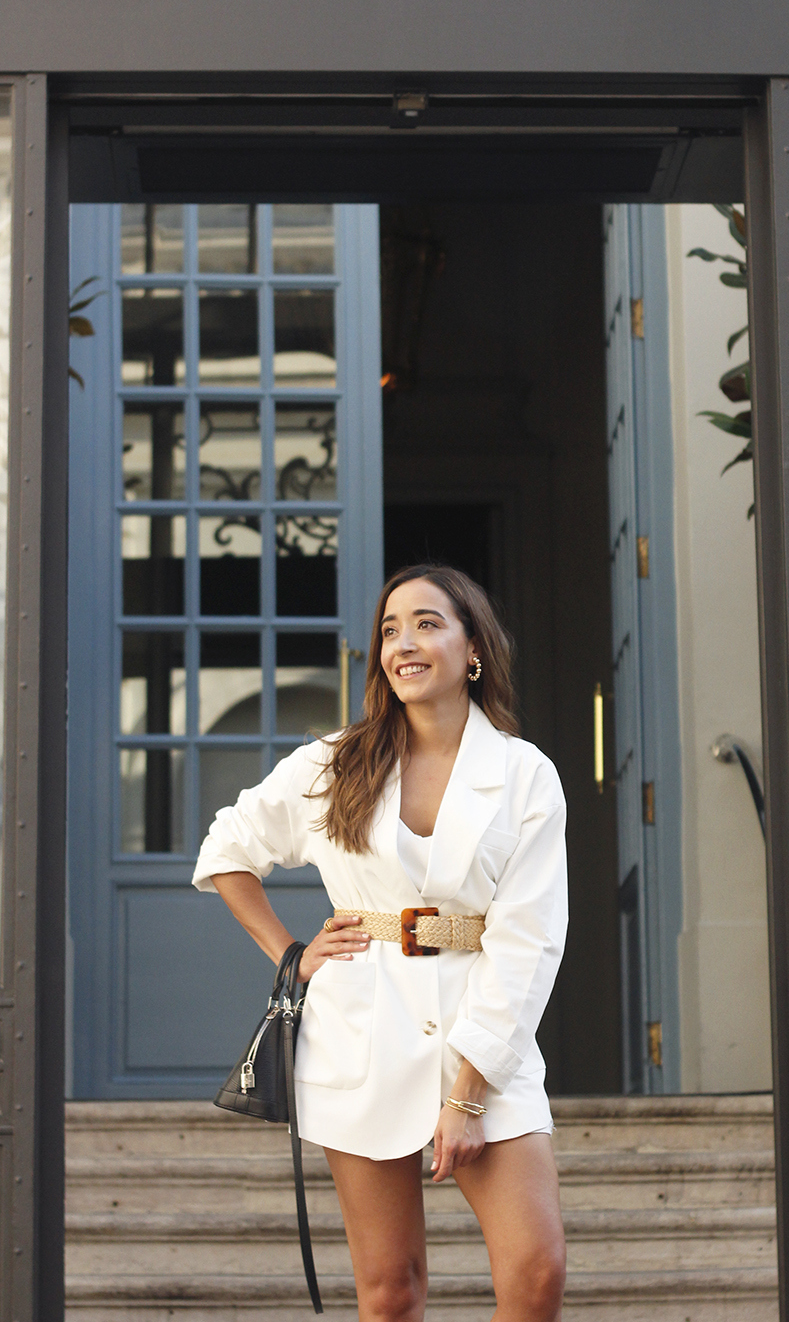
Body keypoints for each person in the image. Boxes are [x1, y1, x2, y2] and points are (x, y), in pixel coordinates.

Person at [193, 563, 568, 1322]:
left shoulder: (526, 776)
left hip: (483, 1036)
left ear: (472, 650)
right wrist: (291, 955)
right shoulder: (335, 763)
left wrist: (468, 1092)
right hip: (360, 1031)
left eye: (428, 623)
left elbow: (529, 941)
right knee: (390, 1293)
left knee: (537, 1272)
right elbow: (227, 849)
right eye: (391, 630)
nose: (404, 642)